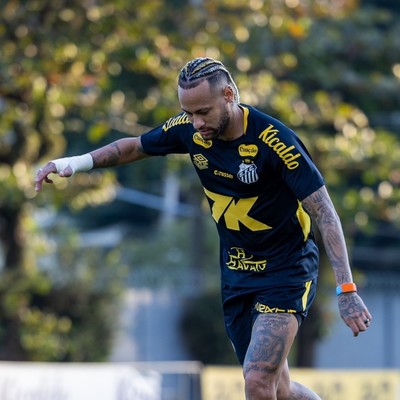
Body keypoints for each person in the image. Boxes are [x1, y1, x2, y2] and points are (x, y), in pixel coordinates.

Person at [35, 57, 372, 400]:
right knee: (279, 389)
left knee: (257, 381)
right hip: (237, 274)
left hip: (287, 271)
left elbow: (324, 212)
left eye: (204, 112)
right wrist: (73, 163)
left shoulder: (275, 142)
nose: (196, 123)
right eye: (189, 113)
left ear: (229, 95)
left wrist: (346, 288)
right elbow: (135, 146)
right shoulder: (190, 129)